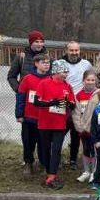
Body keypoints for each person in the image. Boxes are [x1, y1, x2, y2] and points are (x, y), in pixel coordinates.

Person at [33, 59, 76, 189]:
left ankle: (52, 175)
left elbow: (72, 105)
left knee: (56, 149)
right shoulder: (44, 83)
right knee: (45, 149)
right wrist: (51, 103)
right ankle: (47, 171)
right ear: (56, 71)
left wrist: (69, 104)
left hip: (59, 124)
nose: (66, 74)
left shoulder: (67, 86)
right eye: (64, 72)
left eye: (67, 72)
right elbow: (36, 102)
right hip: (45, 123)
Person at [15, 54, 51, 175]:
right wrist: (19, 114)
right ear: (36, 64)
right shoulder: (27, 78)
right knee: (28, 142)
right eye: (43, 62)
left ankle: (44, 164)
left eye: (48, 62)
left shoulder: (51, 79)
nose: (46, 65)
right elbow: (20, 96)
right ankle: (28, 163)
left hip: (45, 118)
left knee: (44, 143)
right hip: (29, 117)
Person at [62, 41, 93, 167]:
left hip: (79, 103)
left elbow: (91, 79)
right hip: (64, 103)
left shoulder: (86, 64)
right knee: (60, 132)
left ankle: (73, 160)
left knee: (76, 133)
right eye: (71, 50)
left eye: (76, 50)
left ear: (79, 51)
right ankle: (56, 157)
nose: (74, 53)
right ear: (66, 51)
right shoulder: (60, 63)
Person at [72, 69, 98, 183]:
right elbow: (76, 113)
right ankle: (86, 171)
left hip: (94, 129)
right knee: (86, 149)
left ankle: (94, 172)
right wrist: (79, 127)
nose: (90, 82)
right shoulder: (79, 95)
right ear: (83, 81)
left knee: (94, 150)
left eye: (93, 80)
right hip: (83, 129)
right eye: (88, 80)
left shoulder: (99, 95)